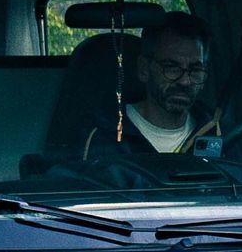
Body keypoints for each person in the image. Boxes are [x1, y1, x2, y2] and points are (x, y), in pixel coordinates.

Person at [87, 14, 223, 164]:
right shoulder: (104, 136)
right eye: (171, 67)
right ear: (144, 69)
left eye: (196, 70)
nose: (185, 81)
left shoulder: (217, 134)